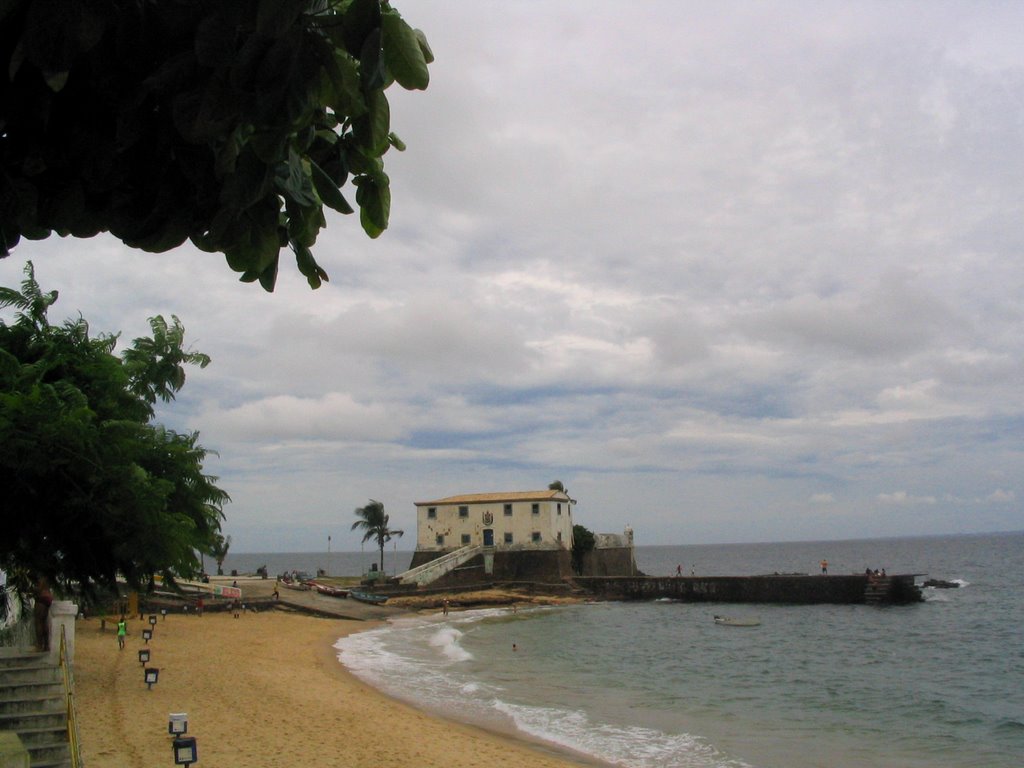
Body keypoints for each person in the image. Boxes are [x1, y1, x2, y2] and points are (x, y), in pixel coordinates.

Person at [33, 578, 53, 651]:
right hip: (47, 596)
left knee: (38, 622)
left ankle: (39, 645)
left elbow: (40, 587)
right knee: (44, 622)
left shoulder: (40, 573)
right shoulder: (47, 572)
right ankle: (46, 645)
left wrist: (32, 590)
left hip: (42, 597)